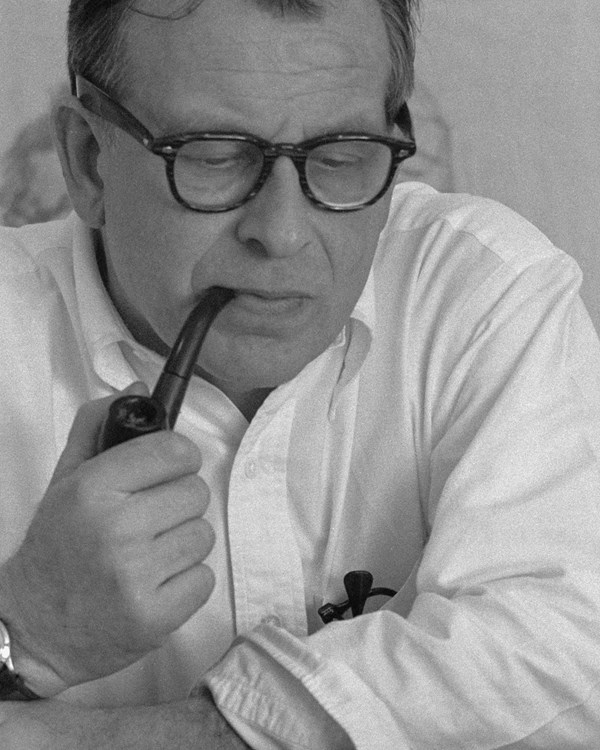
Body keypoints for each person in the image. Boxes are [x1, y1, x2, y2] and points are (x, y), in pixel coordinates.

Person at [1, 0, 600, 747]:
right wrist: (25, 631)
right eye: (213, 156)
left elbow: (571, 650)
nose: (282, 235)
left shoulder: (483, 293)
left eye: (342, 155)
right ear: (89, 160)